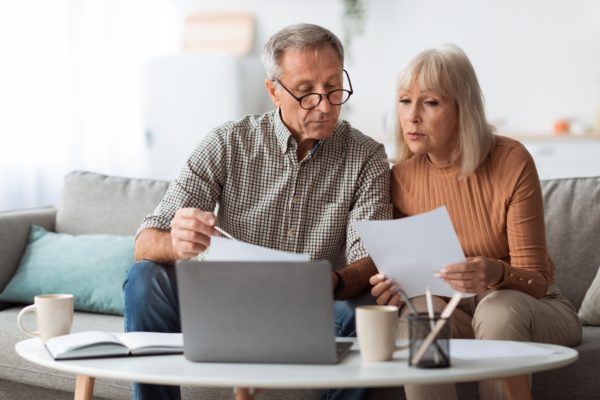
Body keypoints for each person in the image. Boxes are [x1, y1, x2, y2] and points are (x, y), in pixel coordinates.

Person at [124, 23, 392, 400]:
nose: (326, 105)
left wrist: (326, 282)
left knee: (364, 309)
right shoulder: (227, 142)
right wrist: (178, 245)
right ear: (273, 91)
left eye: (334, 87)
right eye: (306, 92)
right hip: (223, 304)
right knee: (144, 278)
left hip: (312, 311)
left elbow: (372, 259)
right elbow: (146, 241)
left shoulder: (367, 156)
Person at [369, 44, 582, 400]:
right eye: (405, 101)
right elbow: (414, 271)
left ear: (462, 108)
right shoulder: (401, 176)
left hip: (532, 306)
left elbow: (537, 279)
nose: (412, 116)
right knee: (416, 314)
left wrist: (497, 274)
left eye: (430, 102)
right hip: (454, 309)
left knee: (498, 309)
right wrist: (391, 286)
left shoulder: (510, 160)